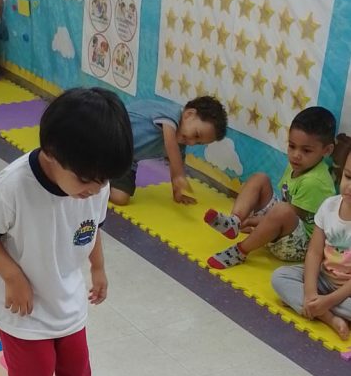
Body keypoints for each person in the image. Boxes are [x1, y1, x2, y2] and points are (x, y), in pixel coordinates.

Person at [0, 87, 133, 376]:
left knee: (77, 371)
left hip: (67, 297)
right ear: (52, 155)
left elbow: (92, 228)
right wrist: (12, 277)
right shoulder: (12, 187)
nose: (96, 190)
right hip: (23, 308)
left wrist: (98, 267)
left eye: (102, 181)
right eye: (87, 180)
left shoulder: (94, 184)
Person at [205, 107, 336, 269]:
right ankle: (234, 221)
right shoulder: (298, 165)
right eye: (292, 146)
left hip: (301, 246)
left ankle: (240, 251)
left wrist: (253, 222)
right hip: (283, 226)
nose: (296, 155)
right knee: (259, 178)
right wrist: (252, 221)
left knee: (283, 210)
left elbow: (291, 214)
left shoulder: (315, 182)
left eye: (306, 150)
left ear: (327, 150)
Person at [272, 144, 351, 342]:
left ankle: (317, 307)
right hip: (324, 279)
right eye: (348, 177)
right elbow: (314, 253)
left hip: (347, 291)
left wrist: (329, 300)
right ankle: (327, 317)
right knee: (279, 277)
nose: (349, 187)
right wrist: (309, 292)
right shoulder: (329, 206)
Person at [109, 95, 227, 207]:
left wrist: (177, 194)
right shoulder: (171, 113)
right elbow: (170, 143)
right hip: (110, 138)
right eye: (196, 135)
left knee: (120, 198)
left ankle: (104, 180)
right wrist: (179, 175)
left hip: (126, 160)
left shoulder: (179, 146)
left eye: (198, 143)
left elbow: (175, 167)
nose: (191, 143)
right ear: (189, 115)